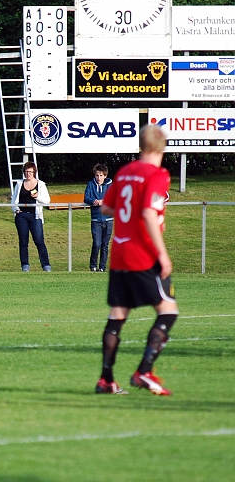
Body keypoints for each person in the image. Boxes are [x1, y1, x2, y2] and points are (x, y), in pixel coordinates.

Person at [95, 124, 178, 396]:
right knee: (168, 310)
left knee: (118, 313)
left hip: (119, 251)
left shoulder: (125, 172)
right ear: (161, 148)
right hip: (142, 253)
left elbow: (107, 207)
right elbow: (148, 213)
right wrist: (163, 254)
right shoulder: (157, 174)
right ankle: (144, 371)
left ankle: (106, 379)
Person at [11, 162, 52, 272]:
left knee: (39, 240)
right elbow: (13, 199)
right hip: (21, 216)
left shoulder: (41, 184)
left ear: (34, 172)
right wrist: (16, 210)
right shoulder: (19, 184)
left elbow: (47, 201)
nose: (28, 174)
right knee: (23, 241)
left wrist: (37, 196)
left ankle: (46, 265)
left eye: (30, 172)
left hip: (35, 216)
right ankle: (25, 265)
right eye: (26, 171)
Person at [84, 163, 113, 272]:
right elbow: (86, 197)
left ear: (105, 176)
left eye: (101, 175)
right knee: (96, 244)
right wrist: (93, 201)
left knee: (105, 245)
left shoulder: (110, 185)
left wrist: (104, 201)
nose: (99, 178)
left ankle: (102, 267)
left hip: (108, 219)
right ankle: (93, 266)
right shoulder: (91, 184)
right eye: (97, 175)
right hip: (96, 219)